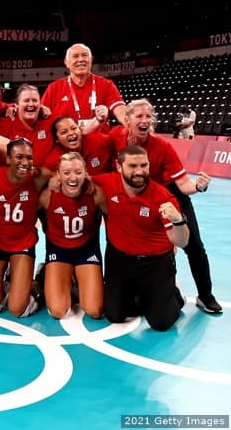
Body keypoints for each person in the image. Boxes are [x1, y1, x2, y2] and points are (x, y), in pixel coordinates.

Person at [109, 99, 221, 313]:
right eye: (138, 116)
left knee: (194, 245)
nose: (144, 120)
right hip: (139, 197)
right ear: (127, 120)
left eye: (148, 116)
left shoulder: (163, 146)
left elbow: (184, 184)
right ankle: (148, 290)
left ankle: (205, 296)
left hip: (170, 195)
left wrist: (198, 186)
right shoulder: (116, 137)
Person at [92, 145, 189, 331]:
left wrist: (178, 220)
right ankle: (141, 294)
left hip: (155, 262)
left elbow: (182, 242)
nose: (139, 171)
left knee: (161, 323)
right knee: (115, 315)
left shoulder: (162, 197)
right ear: (119, 167)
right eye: (133, 166)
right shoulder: (108, 183)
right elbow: (78, 178)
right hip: (120, 260)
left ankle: (173, 293)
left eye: (144, 165)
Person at [0, 137, 51, 317]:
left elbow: (60, 176)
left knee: (18, 310)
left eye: (29, 158)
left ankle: (36, 284)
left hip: (23, 243)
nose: (25, 162)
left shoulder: (40, 177)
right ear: (8, 159)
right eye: (19, 157)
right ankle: (11, 281)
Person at [39, 152, 108, 319]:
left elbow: (116, 219)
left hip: (86, 249)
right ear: (58, 175)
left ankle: (77, 281)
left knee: (94, 310)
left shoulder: (96, 194)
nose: (73, 178)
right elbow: (27, 220)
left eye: (78, 172)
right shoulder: (47, 197)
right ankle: (44, 275)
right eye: (67, 172)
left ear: (86, 173)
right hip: (58, 249)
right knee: (58, 311)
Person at [41, 43, 126, 130]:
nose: (81, 59)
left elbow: (120, 110)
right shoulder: (54, 88)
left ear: (91, 60)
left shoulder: (106, 85)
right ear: (66, 63)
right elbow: (41, 113)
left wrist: (130, 125)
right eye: (75, 56)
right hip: (66, 142)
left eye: (85, 55)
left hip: (99, 141)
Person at [0, 84, 57, 168]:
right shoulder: (3, 126)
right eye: (26, 100)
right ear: (16, 105)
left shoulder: (51, 124)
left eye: (35, 100)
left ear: (40, 104)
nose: (31, 104)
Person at [42, 116, 116, 175]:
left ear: (80, 130)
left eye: (74, 128)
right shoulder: (53, 162)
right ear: (57, 140)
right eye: (64, 132)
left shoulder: (100, 141)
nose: (71, 133)